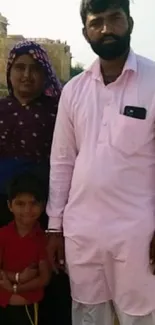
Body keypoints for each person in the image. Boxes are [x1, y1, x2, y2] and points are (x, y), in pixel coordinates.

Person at [46, 0, 155, 324]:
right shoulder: (73, 91)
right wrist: (55, 227)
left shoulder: (153, 81)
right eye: (97, 22)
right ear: (85, 31)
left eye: (114, 19)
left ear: (130, 23)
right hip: (83, 232)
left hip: (138, 235)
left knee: (141, 316)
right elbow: (62, 161)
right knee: (88, 315)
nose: (106, 29)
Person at [0, 41, 71, 325]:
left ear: (45, 75)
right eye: (19, 67)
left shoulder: (60, 111)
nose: (26, 75)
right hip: (5, 205)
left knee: (51, 269)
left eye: (35, 68)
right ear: (9, 71)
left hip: (47, 207)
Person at [0, 172, 50, 325]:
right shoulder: (2, 235)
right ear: (9, 205)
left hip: (27, 306)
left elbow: (44, 278)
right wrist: (18, 278)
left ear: (43, 206)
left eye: (34, 203)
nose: (27, 210)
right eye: (20, 204)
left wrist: (15, 289)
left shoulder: (44, 239)